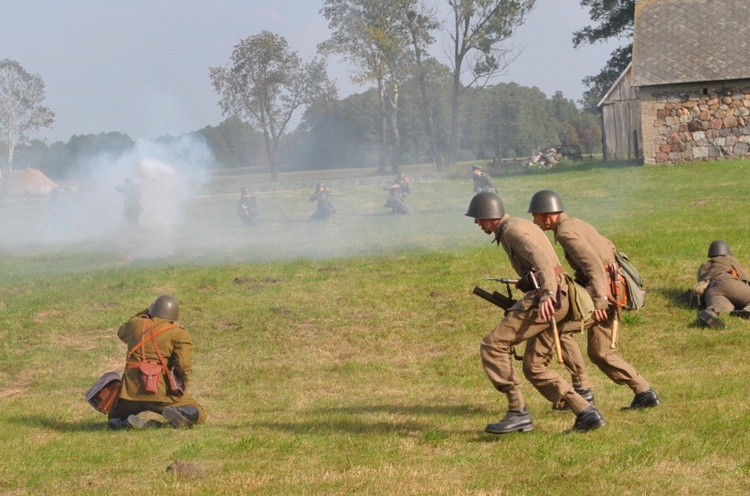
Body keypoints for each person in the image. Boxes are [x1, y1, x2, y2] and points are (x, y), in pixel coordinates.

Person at [466, 192, 605, 434]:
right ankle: (585, 412)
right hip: (560, 295)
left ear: (490, 216)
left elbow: (541, 259)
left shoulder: (512, 231)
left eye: (478, 218)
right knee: (533, 367)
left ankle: (517, 411)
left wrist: (547, 294)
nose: (477, 223)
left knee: (492, 345)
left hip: (550, 298)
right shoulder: (518, 225)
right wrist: (528, 282)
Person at [527, 190, 661, 410]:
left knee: (560, 330)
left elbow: (593, 266)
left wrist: (599, 301)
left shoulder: (565, 233)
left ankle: (582, 391)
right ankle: (644, 392)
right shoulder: (577, 223)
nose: (535, 221)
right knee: (601, 352)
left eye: (536, 216)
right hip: (612, 289)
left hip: (604, 293)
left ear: (548, 215)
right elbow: (610, 247)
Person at [108, 295, 206, 429]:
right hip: (161, 393)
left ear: (152, 310)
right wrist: (182, 386)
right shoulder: (178, 333)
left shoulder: (135, 324)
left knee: (115, 416)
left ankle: (123, 422)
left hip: (130, 393)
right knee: (199, 413)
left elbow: (122, 331)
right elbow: (183, 365)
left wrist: (146, 311)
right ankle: (179, 413)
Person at [695, 240, 750, 328]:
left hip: (712, 290)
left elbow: (701, 281)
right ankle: (747, 309)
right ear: (726, 252)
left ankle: (710, 313)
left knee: (723, 306)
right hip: (729, 283)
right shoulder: (729, 260)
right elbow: (744, 276)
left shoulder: (704, 266)